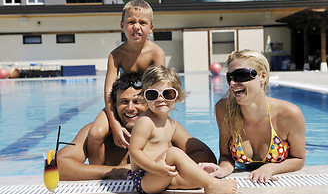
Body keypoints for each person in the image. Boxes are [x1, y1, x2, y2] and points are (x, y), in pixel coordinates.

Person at [57, 72, 216, 181]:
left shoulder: (165, 127)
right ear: (114, 105)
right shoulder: (96, 131)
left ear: (148, 102)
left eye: (137, 102)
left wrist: (169, 171)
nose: (130, 108)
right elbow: (59, 165)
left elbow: (206, 155)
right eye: (124, 102)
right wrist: (115, 172)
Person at [199, 49, 305, 183]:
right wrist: (222, 169)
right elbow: (226, 155)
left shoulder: (289, 114)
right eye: (230, 77)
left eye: (240, 75)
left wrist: (270, 168)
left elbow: (299, 159)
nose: (232, 83)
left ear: (262, 76)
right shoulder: (224, 109)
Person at [128, 65, 237, 194]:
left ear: (177, 96)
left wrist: (198, 167)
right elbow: (134, 151)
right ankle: (212, 185)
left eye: (168, 94)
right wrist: (155, 167)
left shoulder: (171, 124)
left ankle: (206, 180)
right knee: (174, 152)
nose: (160, 99)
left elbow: (201, 150)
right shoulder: (145, 122)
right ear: (145, 97)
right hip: (145, 177)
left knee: (199, 177)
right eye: (153, 94)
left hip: (164, 175)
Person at [87, 0, 165, 164]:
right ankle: (97, 173)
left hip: (147, 105)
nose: (136, 26)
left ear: (150, 28)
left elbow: (161, 91)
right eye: (131, 22)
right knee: (94, 135)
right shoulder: (116, 55)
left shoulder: (156, 54)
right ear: (122, 26)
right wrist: (115, 125)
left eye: (142, 22)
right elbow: (109, 92)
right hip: (122, 104)